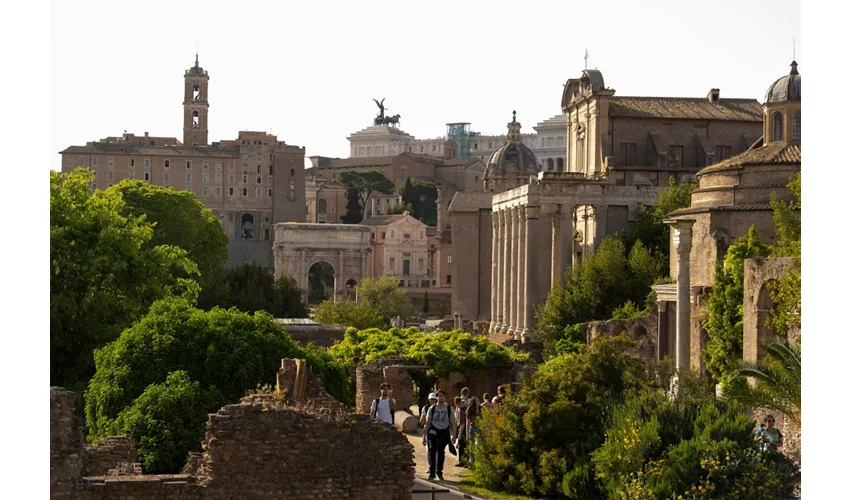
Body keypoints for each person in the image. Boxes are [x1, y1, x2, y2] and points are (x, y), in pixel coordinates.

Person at [422, 389, 457, 481]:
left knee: (441, 452)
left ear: (445, 397)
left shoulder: (449, 409)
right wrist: (424, 436)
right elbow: (428, 422)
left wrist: (454, 435)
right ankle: (432, 473)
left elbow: (453, 422)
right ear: (437, 397)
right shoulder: (432, 409)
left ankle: (439, 472)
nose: (441, 397)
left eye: (443, 396)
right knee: (432, 451)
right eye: (439, 395)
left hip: (444, 431)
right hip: (433, 431)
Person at [420, 392, 438, 477]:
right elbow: (421, 422)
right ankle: (429, 466)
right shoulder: (425, 408)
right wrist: (423, 418)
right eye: (431, 399)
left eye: (434, 399)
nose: (432, 401)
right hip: (429, 431)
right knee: (428, 450)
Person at [453, 396, 468, 467]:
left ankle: (462, 461)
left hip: (463, 429)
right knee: (463, 446)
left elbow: (462, 423)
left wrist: (459, 434)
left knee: (461, 446)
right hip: (463, 428)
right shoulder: (461, 409)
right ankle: (464, 461)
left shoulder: (461, 410)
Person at [465, 397, 481, 464]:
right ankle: (472, 461)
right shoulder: (470, 411)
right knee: (473, 446)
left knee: (479, 445)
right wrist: (467, 434)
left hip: (480, 429)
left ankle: (479, 460)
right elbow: (467, 423)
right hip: (473, 428)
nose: (478, 401)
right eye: (477, 400)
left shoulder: (482, 409)